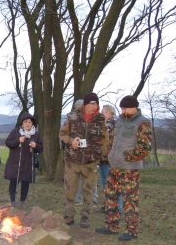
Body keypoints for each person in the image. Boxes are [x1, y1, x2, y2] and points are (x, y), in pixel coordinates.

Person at [96, 96, 152, 241]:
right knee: (110, 196)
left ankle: (131, 231)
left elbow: (145, 148)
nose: (123, 110)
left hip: (130, 169)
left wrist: (128, 156)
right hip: (114, 167)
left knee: (130, 200)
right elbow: (113, 140)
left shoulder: (143, 123)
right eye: (121, 108)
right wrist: (108, 154)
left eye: (125, 108)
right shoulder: (120, 120)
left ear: (134, 107)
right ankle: (111, 226)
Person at [59, 92, 109, 228]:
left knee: (89, 191)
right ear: (85, 105)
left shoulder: (100, 119)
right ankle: (69, 216)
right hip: (72, 161)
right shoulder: (72, 117)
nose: (95, 106)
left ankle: (85, 217)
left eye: (96, 104)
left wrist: (102, 155)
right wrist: (70, 141)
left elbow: (105, 139)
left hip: (90, 162)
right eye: (92, 104)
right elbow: (62, 134)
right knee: (70, 190)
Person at [4, 112, 43, 208]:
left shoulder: (36, 135)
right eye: (25, 122)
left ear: (32, 124)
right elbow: (8, 143)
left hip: (28, 164)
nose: (27, 124)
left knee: (25, 183)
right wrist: (18, 140)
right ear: (22, 123)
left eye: (29, 122)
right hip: (15, 163)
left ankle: (22, 201)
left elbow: (41, 148)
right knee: (13, 182)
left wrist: (36, 146)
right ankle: (12, 201)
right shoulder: (16, 132)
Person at [99, 104, 123, 213]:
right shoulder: (112, 122)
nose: (101, 114)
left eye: (103, 112)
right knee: (107, 184)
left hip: (109, 159)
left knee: (112, 184)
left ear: (109, 112)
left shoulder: (111, 122)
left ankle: (117, 208)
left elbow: (102, 135)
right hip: (105, 159)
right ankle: (108, 206)